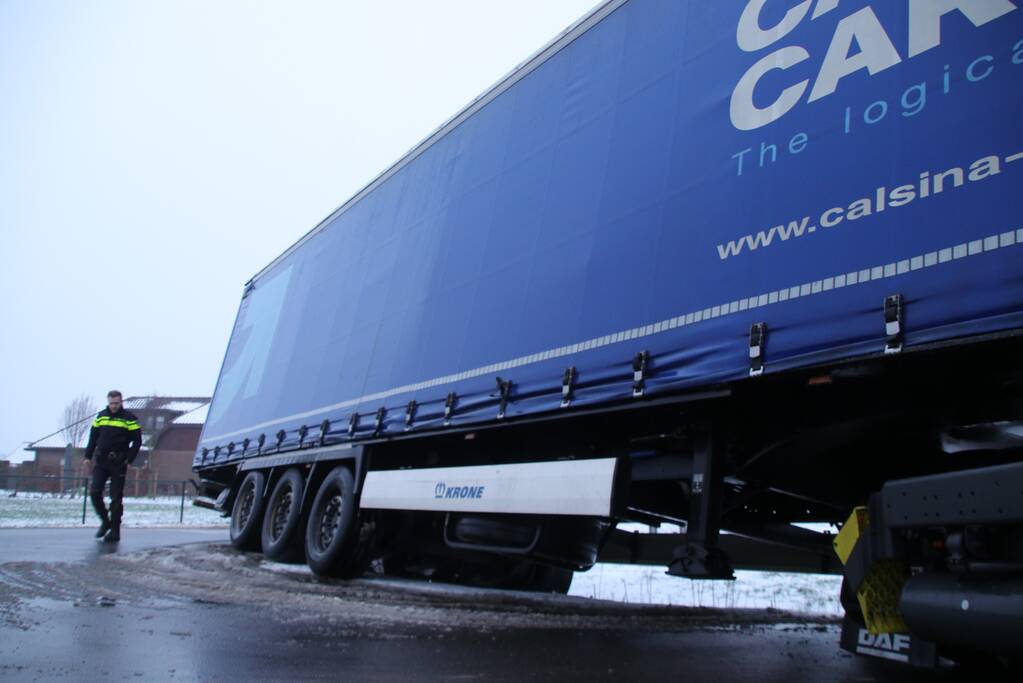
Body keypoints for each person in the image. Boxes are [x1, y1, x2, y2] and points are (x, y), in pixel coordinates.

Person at [83, 390, 142, 542]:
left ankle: (115, 531)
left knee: (116, 498)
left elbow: (137, 442)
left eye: (116, 403)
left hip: (119, 462)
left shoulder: (129, 419)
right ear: (108, 402)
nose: (114, 406)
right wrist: (87, 457)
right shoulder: (101, 417)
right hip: (102, 461)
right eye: (111, 403)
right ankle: (105, 521)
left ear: (121, 402)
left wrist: (129, 459)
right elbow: (93, 437)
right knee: (95, 492)